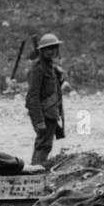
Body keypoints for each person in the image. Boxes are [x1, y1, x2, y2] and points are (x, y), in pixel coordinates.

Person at [26, 32, 65, 167]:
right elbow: (32, 97)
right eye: (48, 49)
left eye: (54, 48)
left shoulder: (50, 68)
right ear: (42, 51)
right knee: (44, 145)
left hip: (51, 112)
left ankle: (35, 169)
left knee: (44, 144)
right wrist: (40, 121)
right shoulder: (38, 69)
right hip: (43, 113)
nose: (51, 51)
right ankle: (35, 171)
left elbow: (52, 89)